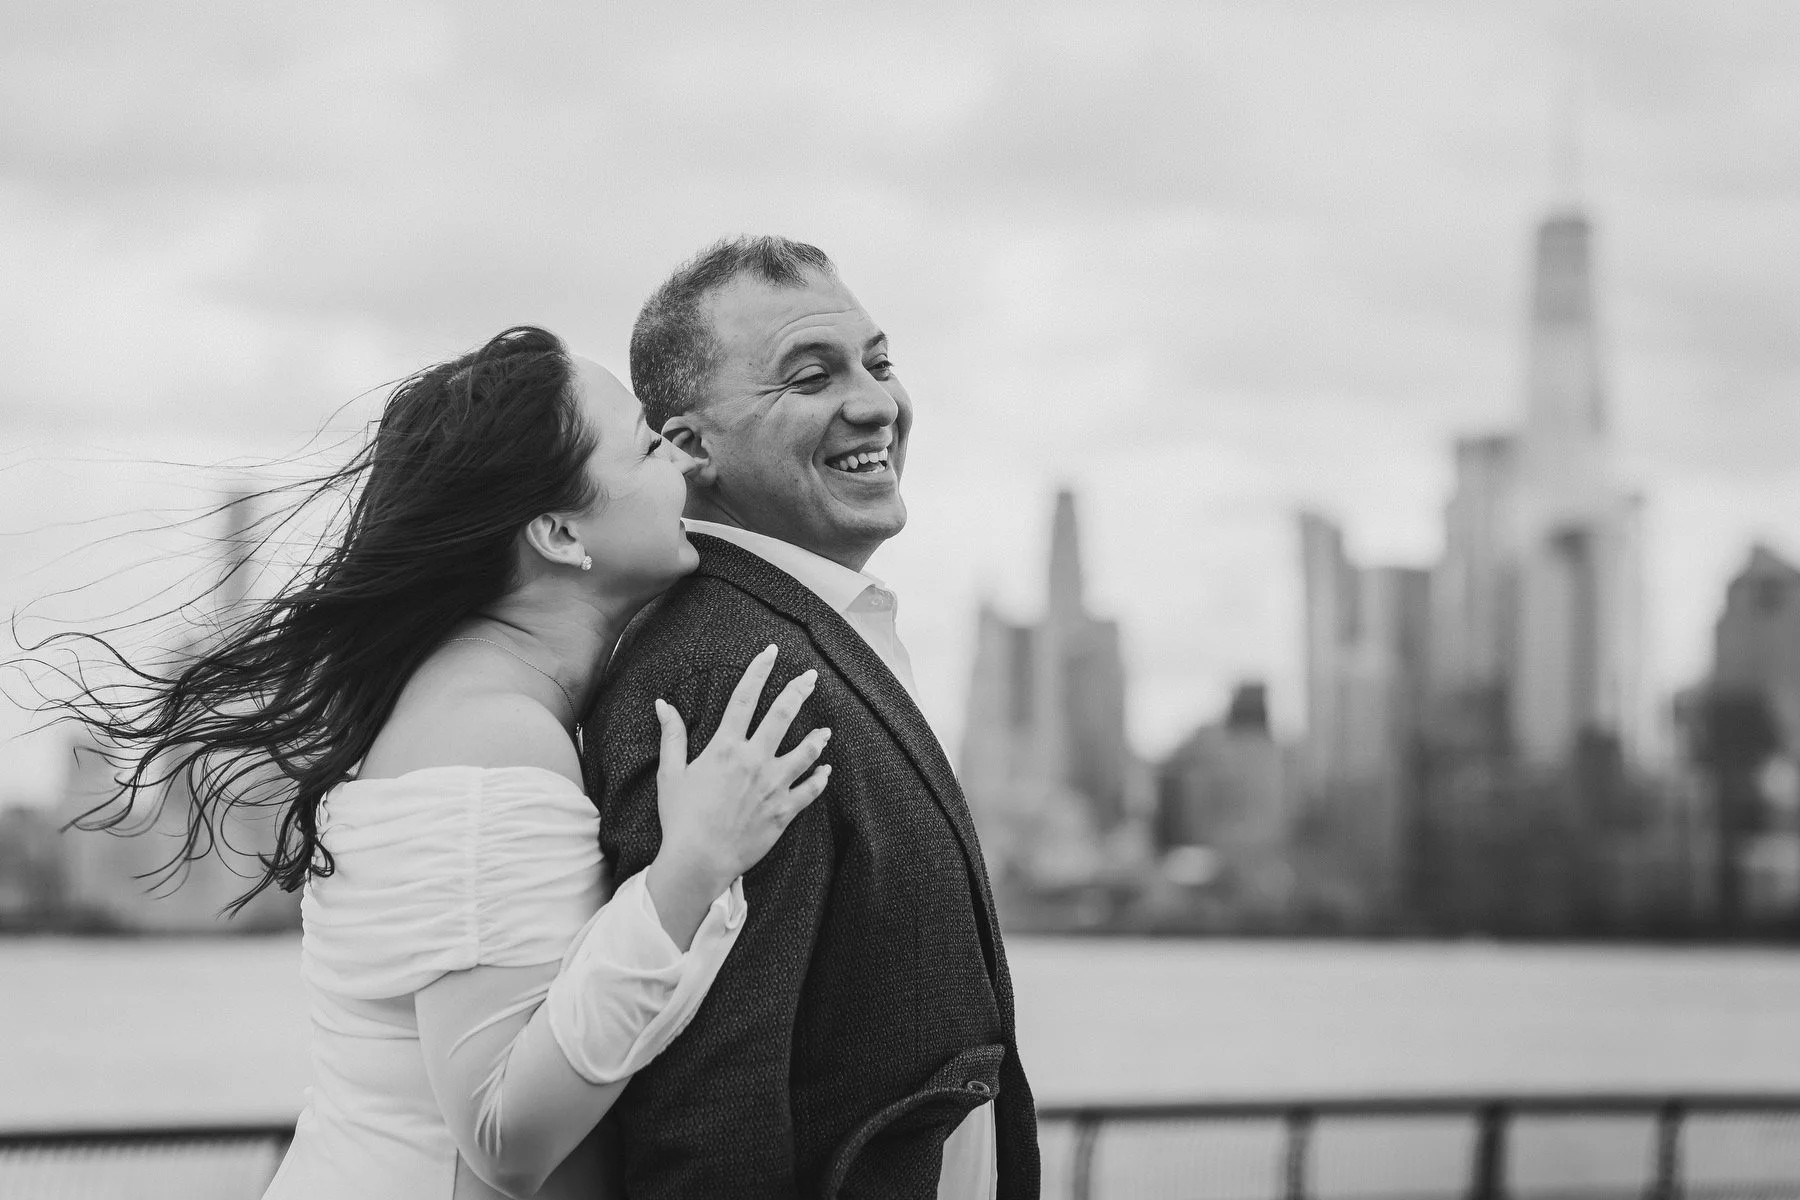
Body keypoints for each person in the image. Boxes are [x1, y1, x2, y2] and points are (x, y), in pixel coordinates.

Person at [55, 327, 833, 1199]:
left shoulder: (480, 705)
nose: (683, 464)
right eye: (649, 447)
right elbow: (505, 1135)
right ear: (558, 531)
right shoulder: (492, 740)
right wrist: (691, 870)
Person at [583, 238, 1040, 1199]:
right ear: (688, 448)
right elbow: (704, 1118)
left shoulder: (792, 636)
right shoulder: (732, 677)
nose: (877, 404)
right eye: (811, 376)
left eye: (878, 362)